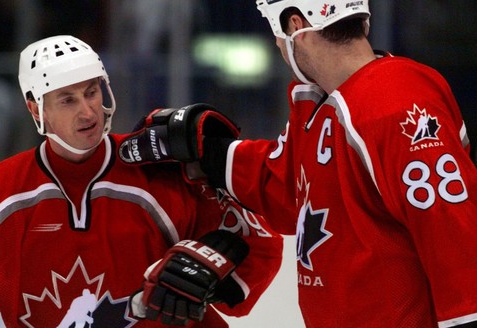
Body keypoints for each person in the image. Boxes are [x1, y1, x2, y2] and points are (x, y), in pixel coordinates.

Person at [118, 1, 477, 327]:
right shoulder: (317, 101)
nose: (277, 45)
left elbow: (450, 227)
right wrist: (209, 152)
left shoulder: (395, 101)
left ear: (295, 25)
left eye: (277, 31)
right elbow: (288, 188)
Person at [0, 35, 283, 327]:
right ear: (36, 108)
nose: (88, 111)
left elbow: (260, 242)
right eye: (67, 100)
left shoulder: (161, 173)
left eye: (92, 92)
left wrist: (218, 261)